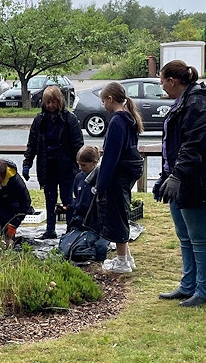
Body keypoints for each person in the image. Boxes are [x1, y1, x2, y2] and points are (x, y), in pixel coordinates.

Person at [156, 60, 206, 307]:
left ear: (173, 81)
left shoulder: (197, 102)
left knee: (199, 238)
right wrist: (164, 177)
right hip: (177, 179)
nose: (161, 86)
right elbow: (172, 146)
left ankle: (202, 289)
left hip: (194, 181)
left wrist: (177, 175)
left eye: (162, 81)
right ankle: (187, 285)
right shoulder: (181, 101)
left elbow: (193, 145)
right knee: (184, 236)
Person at [84, 81, 143, 274]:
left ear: (110, 99)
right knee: (122, 213)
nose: (103, 105)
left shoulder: (117, 121)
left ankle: (121, 262)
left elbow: (110, 157)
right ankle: (127, 257)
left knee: (116, 216)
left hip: (117, 176)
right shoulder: (130, 118)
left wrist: (100, 184)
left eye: (103, 101)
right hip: (127, 174)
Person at [23, 85, 84, 239]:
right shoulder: (39, 120)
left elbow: (78, 145)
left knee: (67, 199)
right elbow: (32, 144)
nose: (50, 106)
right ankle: (50, 229)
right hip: (47, 166)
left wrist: (81, 166)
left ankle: (71, 229)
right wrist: (27, 163)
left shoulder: (70, 119)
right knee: (50, 199)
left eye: (53, 102)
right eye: (47, 102)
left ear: (59, 102)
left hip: (66, 167)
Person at [66, 145, 101, 230]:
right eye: (79, 164)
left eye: (83, 165)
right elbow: (78, 198)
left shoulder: (100, 178)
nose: (80, 168)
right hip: (80, 218)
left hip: (96, 220)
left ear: (94, 163)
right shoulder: (78, 177)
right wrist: (68, 207)